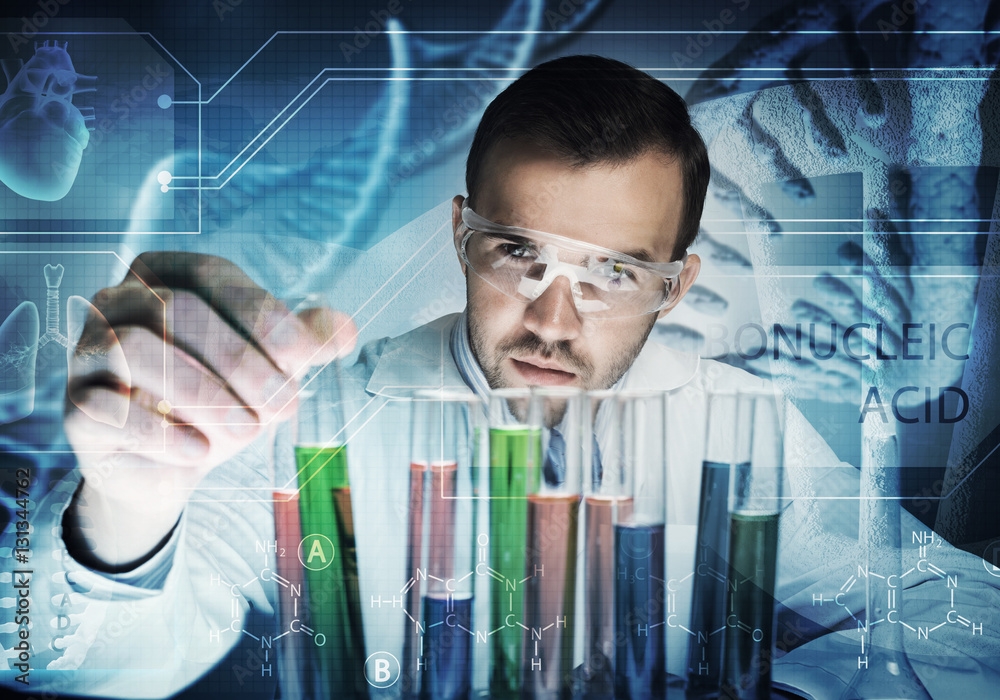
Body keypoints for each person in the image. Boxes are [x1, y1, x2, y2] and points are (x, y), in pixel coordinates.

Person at [2, 55, 998, 699]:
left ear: (677, 281)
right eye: (518, 253)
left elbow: (955, 615)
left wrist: (796, 683)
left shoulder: (742, 426)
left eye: (613, 273)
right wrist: (128, 504)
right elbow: (68, 662)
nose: (552, 322)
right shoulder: (320, 416)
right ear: (460, 234)